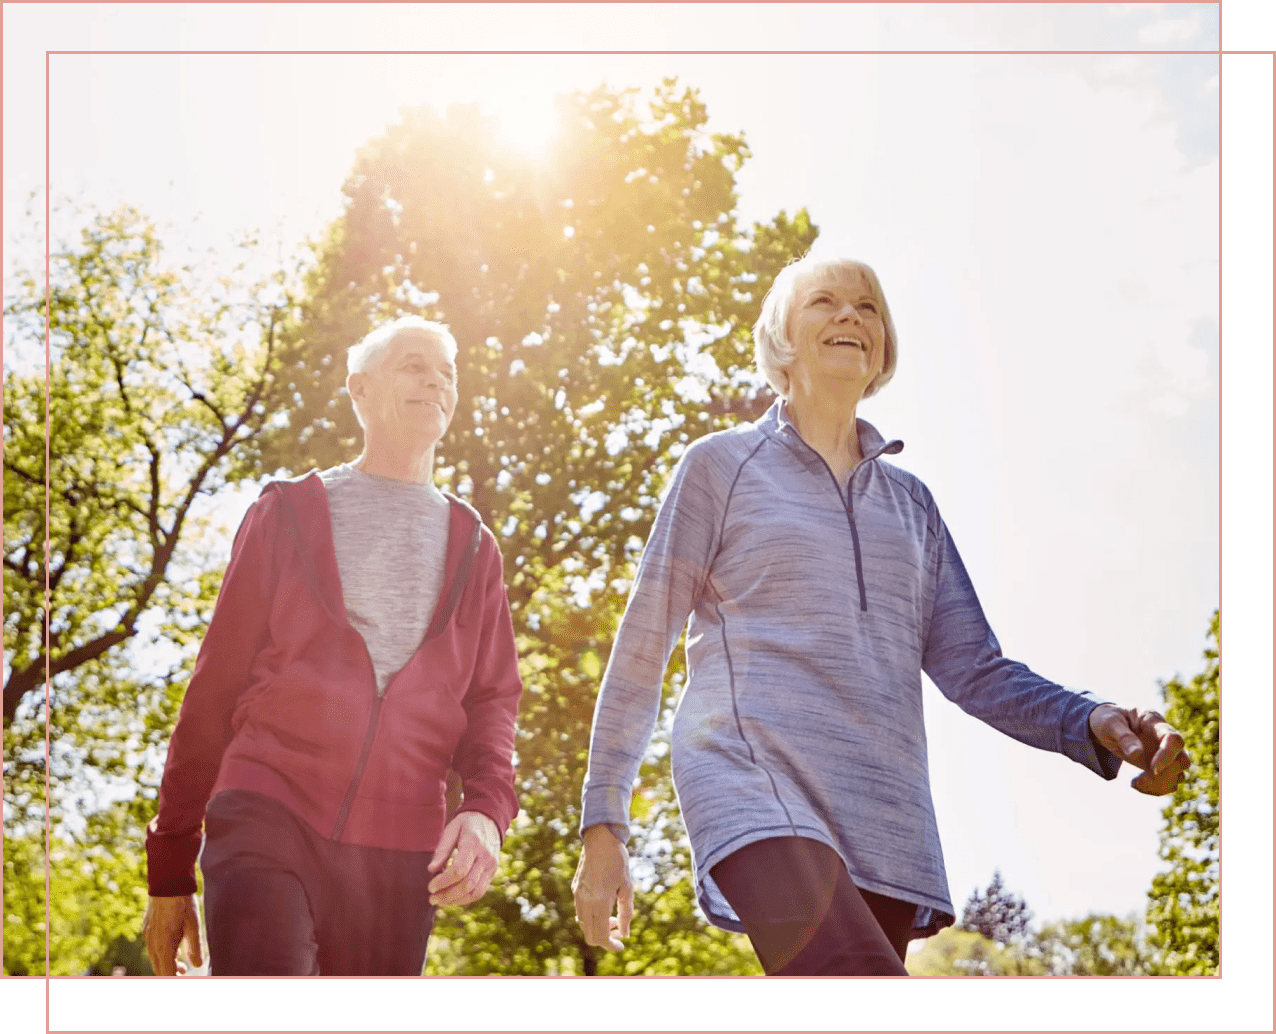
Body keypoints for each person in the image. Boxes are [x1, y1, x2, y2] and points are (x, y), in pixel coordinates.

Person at [572, 254, 1190, 976]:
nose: (849, 316)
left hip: (886, 819)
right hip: (752, 783)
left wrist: (1090, 719)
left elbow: (976, 668)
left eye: (867, 308)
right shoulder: (720, 467)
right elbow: (645, 643)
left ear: (882, 346)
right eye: (825, 302)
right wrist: (603, 823)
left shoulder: (912, 505)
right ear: (782, 339)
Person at [143, 316, 523, 976]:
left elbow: (492, 703)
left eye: (446, 372)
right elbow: (215, 687)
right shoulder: (287, 512)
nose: (434, 378)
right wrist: (171, 864)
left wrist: (487, 811)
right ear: (361, 390)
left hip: (402, 852)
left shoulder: (474, 546)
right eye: (412, 364)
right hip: (268, 809)